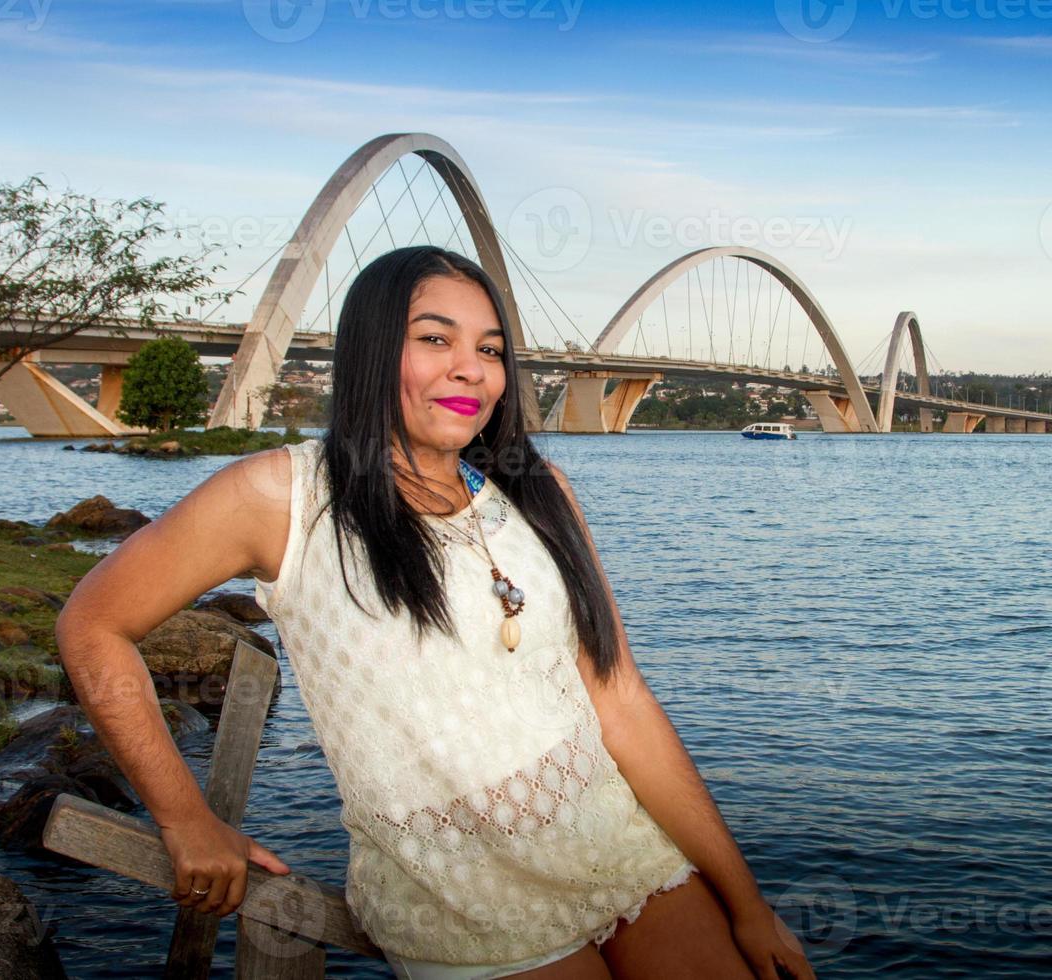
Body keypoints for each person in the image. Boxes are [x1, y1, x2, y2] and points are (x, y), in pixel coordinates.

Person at [55, 245, 815, 979]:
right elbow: (93, 625)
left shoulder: (539, 490)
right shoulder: (279, 498)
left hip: (618, 845)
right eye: (433, 339)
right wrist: (184, 817)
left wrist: (745, 901)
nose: (470, 370)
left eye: (489, 350)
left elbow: (620, 698)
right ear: (371, 351)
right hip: (456, 896)